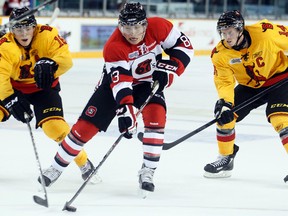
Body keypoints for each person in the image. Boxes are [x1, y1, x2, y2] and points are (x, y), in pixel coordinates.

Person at [39, 2, 194, 193]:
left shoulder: (160, 26)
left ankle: (148, 171)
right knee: (84, 128)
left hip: (148, 83)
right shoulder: (113, 46)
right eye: (127, 27)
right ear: (120, 26)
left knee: (157, 117)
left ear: (145, 24)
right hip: (113, 86)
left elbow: (185, 48)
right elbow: (122, 85)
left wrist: (168, 69)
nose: (133, 32)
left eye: (137, 26)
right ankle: (56, 167)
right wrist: (126, 113)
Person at [0, 7, 98, 183]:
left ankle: (84, 163)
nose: (23, 33)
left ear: (35, 27)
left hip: (43, 88)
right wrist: (9, 99)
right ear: (11, 30)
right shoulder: (6, 46)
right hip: (13, 88)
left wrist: (51, 63)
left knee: (56, 129)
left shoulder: (48, 35)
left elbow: (66, 61)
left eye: (27, 28)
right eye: (18, 29)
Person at [204, 10, 288, 181]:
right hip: (250, 86)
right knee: (224, 116)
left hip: (280, 78)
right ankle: (226, 158)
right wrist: (225, 103)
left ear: (240, 29)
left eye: (230, 32)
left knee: (280, 120)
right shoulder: (220, 54)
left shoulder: (266, 32)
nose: (226, 37)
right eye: (223, 32)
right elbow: (225, 82)